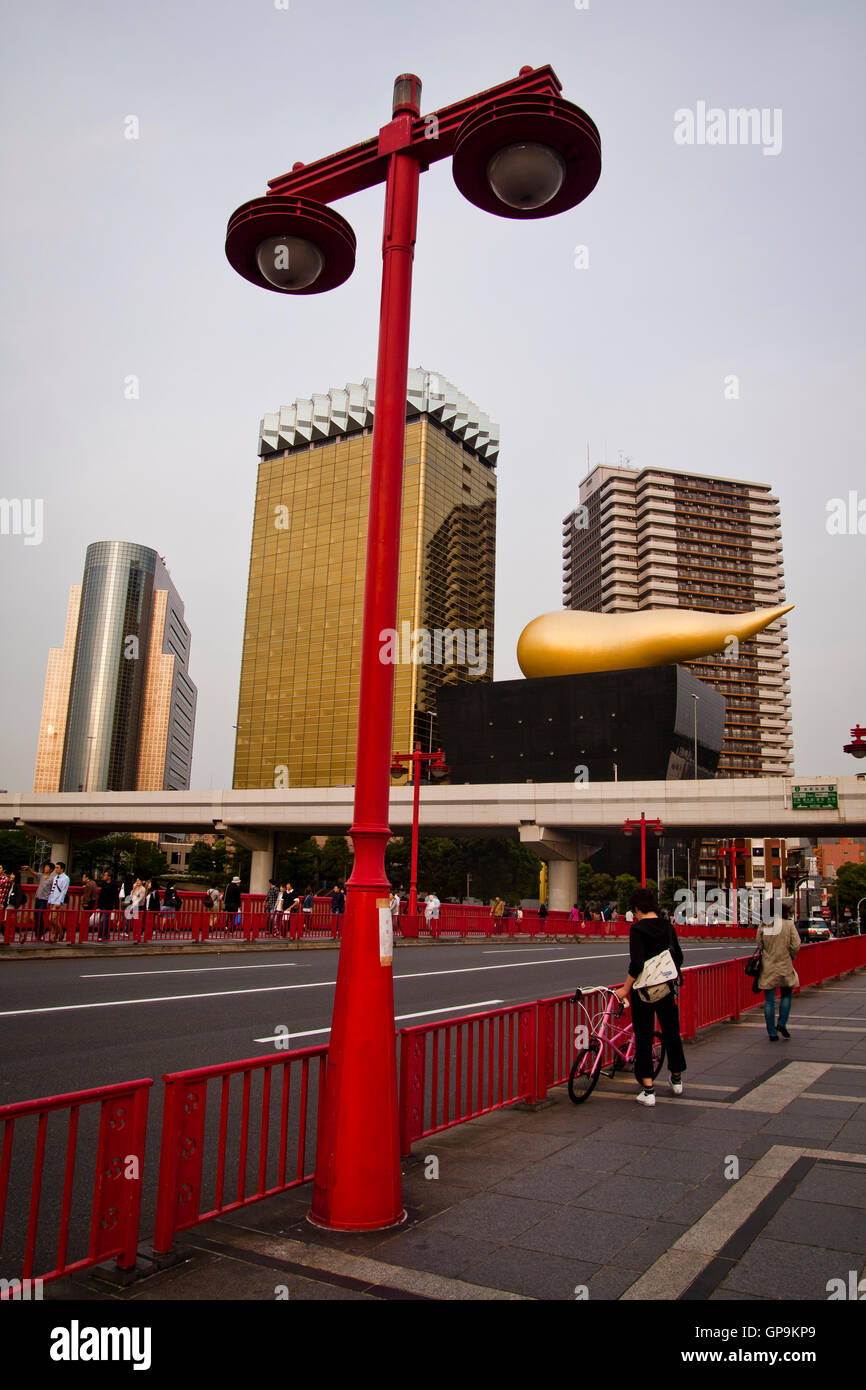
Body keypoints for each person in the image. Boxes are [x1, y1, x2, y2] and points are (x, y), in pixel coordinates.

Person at [614, 886, 687, 1106]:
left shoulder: (637, 929)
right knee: (671, 1031)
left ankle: (648, 1090)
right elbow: (679, 957)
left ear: (637, 908)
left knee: (643, 1036)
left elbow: (636, 963)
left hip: (643, 991)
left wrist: (626, 988)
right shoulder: (667, 927)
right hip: (665, 988)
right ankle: (676, 1079)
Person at [757, 903, 800, 1040]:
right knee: (786, 995)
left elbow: (759, 944)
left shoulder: (764, 925)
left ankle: (772, 1033)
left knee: (769, 1001)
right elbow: (796, 944)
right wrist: (791, 955)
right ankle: (781, 1023)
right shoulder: (788, 925)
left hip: (768, 965)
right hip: (785, 964)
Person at [30, 862, 55, 940]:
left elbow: (53, 889)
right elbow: (34, 873)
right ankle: (38, 933)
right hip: (38, 898)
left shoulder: (52, 879)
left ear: (50, 869)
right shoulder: (41, 876)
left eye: (47, 867)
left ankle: (41, 931)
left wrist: (51, 900)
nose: (45, 868)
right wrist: (29, 868)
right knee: (36, 917)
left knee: (39, 915)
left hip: (45, 899)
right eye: (45, 867)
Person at [48, 861, 71, 941]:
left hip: (58, 901)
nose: (56, 869)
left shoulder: (65, 878)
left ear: (62, 869)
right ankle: (53, 937)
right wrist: (50, 900)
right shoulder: (55, 877)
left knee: (52, 919)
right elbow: (52, 889)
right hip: (53, 900)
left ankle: (60, 931)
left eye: (57, 868)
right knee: (52, 920)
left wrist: (59, 902)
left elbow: (63, 891)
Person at [96, 871, 117, 941]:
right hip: (103, 904)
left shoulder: (113, 885)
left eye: (105, 875)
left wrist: (116, 907)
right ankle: (106, 934)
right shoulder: (103, 884)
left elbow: (115, 896)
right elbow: (101, 896)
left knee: (103, 920)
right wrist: (98, 906)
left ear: (109, 877)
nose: (104, 876)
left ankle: (101, 935)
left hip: (108, 905)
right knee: (105, 920)